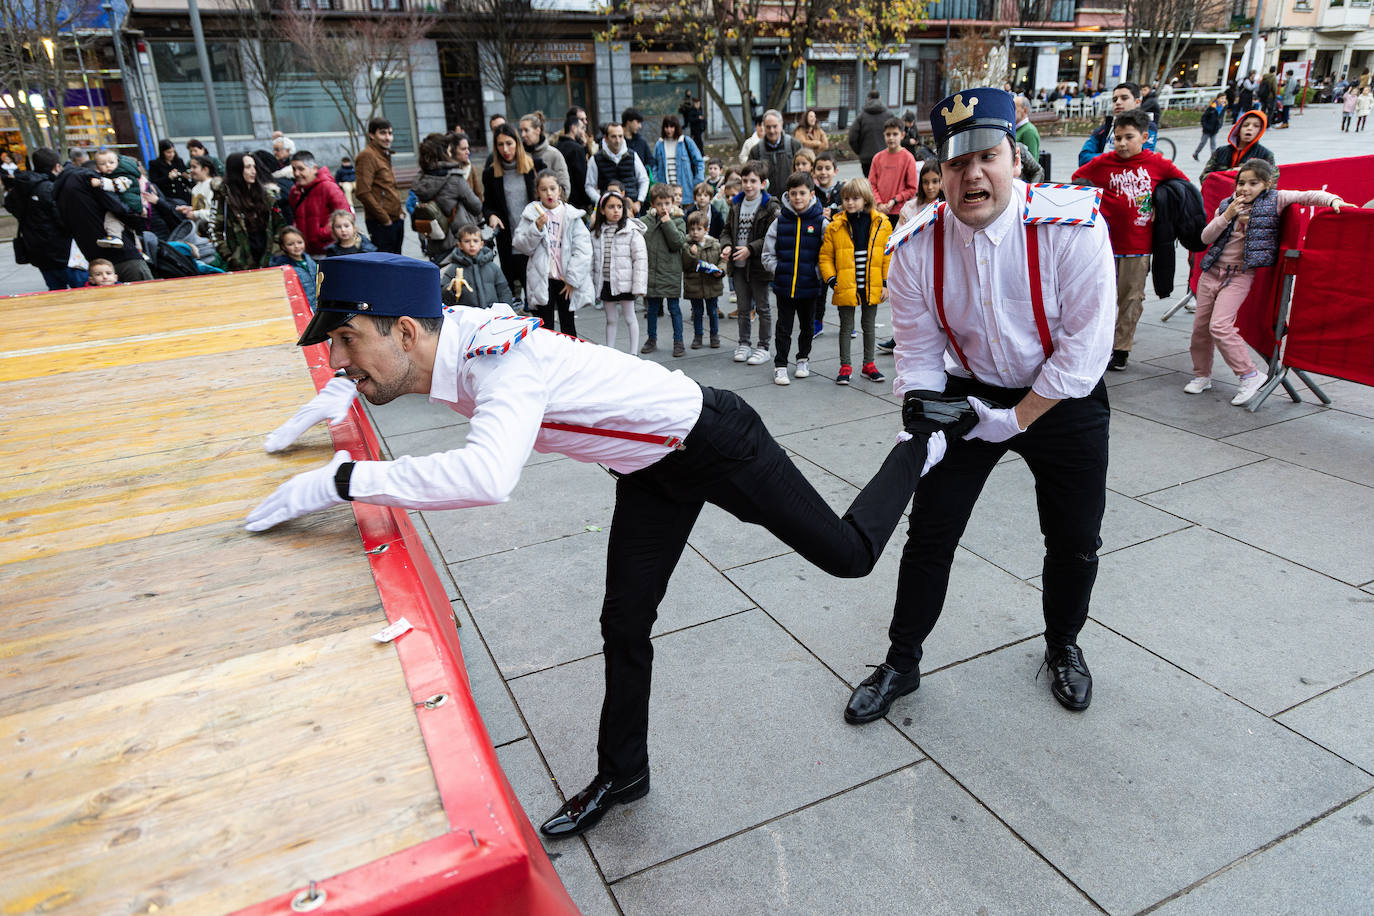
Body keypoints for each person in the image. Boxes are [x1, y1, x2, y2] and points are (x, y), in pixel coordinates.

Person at [244, 252, 957, 838]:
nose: (339, 357)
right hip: (650, 470)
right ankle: (625, 772)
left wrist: (345, 479)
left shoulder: (500, 364)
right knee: (624, 622)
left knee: (847, 556)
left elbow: (488, 475)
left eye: (347, 341)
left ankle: (919, 444)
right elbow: (413, 337)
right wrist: (342, 389)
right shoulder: (442, 333)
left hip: (716, 439)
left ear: (404, 331)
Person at [844, 87, 1115, 727]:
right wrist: (920, 412)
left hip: (1060, 399)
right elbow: (915, 351)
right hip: (969, 394)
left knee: (1075, 538)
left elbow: (1084, 351)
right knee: (929, 534)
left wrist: (1017, 419)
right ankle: (901, 661)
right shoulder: (913, 247)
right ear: (940, 172)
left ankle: (1062, 644)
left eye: (987, 157)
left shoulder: (1072, 226)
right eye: (958, 164)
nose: (973, 176)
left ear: (1015, 160)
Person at [1185, 160, 1345, 406]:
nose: (1244, 189)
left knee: (1220, 326)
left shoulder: (1275, 199)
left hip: (1239, 275)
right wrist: (1227, 216)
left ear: (1267, 184)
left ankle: (1249, 375)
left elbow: (1308, 195)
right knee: (1200, 330)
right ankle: (1202, 375)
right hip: (1211, 272)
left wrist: (1334, 200)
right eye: (1241, 183)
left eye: (1253, 183)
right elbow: (1206, 237)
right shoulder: (1227, 204)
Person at [1072, 108, 1189, 372]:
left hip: (1138, 246)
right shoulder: (1104, 163)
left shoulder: (1157, 163)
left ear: (1145, 136)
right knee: (1098, 298)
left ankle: (1121, 348)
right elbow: (1078, 180)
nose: (1122, 143)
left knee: (1131, 299)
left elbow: (1182, 186)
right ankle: (1095, 345)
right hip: (1104, 245)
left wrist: (1163, 204)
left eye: (1129, 137)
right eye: (1118, 138)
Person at [820, 176, 891, 386]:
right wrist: (832, 280)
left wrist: (885, 283)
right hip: (845, 284)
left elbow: (888, 255)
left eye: (855, 198)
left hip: (871, 283)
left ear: (866, 199)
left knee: (869, 326)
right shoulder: (835, 226)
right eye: (847, 198)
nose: (850, 202)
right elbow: (825, 256)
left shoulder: (881, 224)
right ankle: (845, 365)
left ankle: (869, 365)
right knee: (846, 326)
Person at [761, 171, 826, 385]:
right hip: (784, 286)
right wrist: (778, 270)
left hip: (810, 286)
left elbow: (827, 254)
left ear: (811, 194)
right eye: (793, 193)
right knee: (784, 327)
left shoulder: (820, 223)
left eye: (802, 193)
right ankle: (780, 365)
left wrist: (817, 273)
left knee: (807, 326)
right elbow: (767, 253)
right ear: (787, 195)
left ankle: (803, 359)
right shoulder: (780, 222)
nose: (797, 198)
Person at [513, 169, 593, 336]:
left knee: (568, 325)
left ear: (560, 190)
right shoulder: (531, 213)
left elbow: (583, 250)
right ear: (537, 192)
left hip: (565, 278)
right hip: (542, 277)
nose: (549, 193)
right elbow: (521, 245)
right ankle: (546, 360)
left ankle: (570, 358)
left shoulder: (571, 215)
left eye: (552, 188)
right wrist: (536, 228)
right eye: (543, 189)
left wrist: (572, 279)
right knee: (545, 326)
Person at [54, 152, 152, 282]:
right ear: (97, 170)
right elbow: (119, 208)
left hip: (95, 260)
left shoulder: (60, 190)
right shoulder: (90, 180)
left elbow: (62, 224)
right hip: (123, 255)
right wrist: (137, 216)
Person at [723, 161, 779, 366]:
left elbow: (772, 236)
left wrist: (750, 249)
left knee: (763, 307)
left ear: (763, 183)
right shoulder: (736, 204)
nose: (748, 185)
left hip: (758, 266)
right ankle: (744, 343)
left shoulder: (770, 206)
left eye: (753, 181)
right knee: (743, 307)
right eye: (744, 180)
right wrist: (727, 245)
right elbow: (727, 230)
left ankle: (763, 347)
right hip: (738, 266)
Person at [482, 122, 546, 301]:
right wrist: (491, 216)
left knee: (537, 292)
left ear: (517, 143)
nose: (505, 149)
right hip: (508, 239)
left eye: (509, 143)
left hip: (534, 237)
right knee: (512, 292)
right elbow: (487, 205)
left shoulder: (535, 166)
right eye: (500, 144)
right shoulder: (491, 173)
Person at [5, 147, 84, 290]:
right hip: (63, 251)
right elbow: (62, 219)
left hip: (37, 250)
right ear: (56, 166)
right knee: (81, 290)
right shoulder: (49, 188)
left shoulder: (20, 187)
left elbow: (10, 205)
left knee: (55, 292)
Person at [412, 133, 483, 263]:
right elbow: (476, 206)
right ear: (444, 152)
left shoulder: (422, 178)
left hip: (434, 241)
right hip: (456, 242)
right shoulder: (454, 178)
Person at [215, 151, 289, 271]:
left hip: (268, 259)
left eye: (254, 166)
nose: (253, 171)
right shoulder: (224, 197)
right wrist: (230, 257)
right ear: (237, 170)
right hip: (241, 263)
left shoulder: (267, 196)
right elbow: (215, 230)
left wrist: (276, 251)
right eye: (248, 167)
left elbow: (280, 225)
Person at [639, 183, 687, 356]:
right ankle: (651, 338)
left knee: (674, 309)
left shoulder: (678, 220)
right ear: (653, 204)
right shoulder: (646, 222)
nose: (663, 207)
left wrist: (667, 223)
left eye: (667, 203)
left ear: (672, 203)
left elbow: (678, 243)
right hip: (652, 273)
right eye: (659, 204)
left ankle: (678, 341)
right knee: (652, 309)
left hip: (670, 273)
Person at [354, 117, 404, 254]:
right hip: (381, 223)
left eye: (390, 133)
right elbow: (363, 192)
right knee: (386, 267)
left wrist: (400, 213)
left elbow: (388, 187)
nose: (388, 137)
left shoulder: (383, 154)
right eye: (383, 133)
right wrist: (384, 219)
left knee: (397, 263)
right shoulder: (367, 156)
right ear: (372, 135)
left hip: (395, 219)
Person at [1076, 82, 1158, 166]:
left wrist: (1103, 159)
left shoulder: (1148, 127)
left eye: (1124, 98)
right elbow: (1083, 158)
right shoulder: (1105, 128)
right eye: (1114, 100)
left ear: (1137, 102)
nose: (1118, 102)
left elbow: (1141, 160)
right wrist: (1116, 157)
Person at [288, 151, 352, 257]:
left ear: (314, 168)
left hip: (329, 251)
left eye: (301, 169)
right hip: (305, 253)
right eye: (294, 169)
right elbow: (295, 217)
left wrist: (319, 234)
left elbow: (347, 217)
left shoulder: (329, 187)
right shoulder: (294, 191)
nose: (296, 173)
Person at [440, 224, 513, 309]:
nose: (471, 244)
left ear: (481, 244)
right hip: (467, 317)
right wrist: (452, 288)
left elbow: (504, 291)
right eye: (467, 241)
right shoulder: (453, 269)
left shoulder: (493, 268)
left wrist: (506, 312)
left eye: (475, 241)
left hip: (492, 314)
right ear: (459, 245)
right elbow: (442, 295)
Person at [681, 208, 725, 349]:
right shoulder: (686, 245)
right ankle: (698, 337)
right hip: (695, 286)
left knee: (713, 312)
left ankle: (714, 336)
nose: (695, 232)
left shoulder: (715, 244)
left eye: (699, 229)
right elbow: (685, 265)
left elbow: (722, 260)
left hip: (712, 284)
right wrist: (691, 255)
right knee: (697, 313)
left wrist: (721, 270)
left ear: (706, 229)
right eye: (692, 229)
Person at [585, 121, 650, 216]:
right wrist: (601, 201)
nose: (618, 140)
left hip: (631, 208)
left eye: (620, 136)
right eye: (613, 136)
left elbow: (644, 180)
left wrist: (639, 202)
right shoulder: (595, 159)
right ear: (606, 138)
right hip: (608, 211)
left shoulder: (633, 155)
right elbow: (589, 186)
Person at [90, 148, 146, 249]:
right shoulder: (119, 172)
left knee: (111, 218)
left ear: (118, 161)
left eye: (111, 162)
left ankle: (114, 236)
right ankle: (139, 249)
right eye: (103, 164)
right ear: (97, 167)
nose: (108, 165)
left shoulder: (122, 174)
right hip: (130, 205)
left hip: (128, 203)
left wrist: (100, 183)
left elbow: (120, 185)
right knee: (130, 228)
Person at [869, 118, 921, 224]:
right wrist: (879, 203)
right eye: (888, 134)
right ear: (884, 135)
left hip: (900, 212)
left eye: (895, 134)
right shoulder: (877, 158)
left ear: (902, 135)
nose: (891, 138)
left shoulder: (908, 158)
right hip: (878, 211)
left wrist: (895, 200)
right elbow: (871, 184)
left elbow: (912, 188)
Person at [1200, 110, 1276, 182]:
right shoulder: (1220, 151)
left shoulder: (1265, 155)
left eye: (1256, 126)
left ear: (1260, 131)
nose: (1249, 128)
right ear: (1238, 129)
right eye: (1245, 125)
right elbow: (1204, 178)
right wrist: (1229, 173)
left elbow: (1271, 183)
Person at [652, 113, 705, 202]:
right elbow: (655, 166)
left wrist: (697, 182)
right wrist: (657, 182)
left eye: (672, 127)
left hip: (686, 191)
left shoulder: (686, 142)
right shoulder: (659, 145)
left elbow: (699, 162)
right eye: (666, 127)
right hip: (666, 191)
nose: (669, 130)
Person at [748, 109, 802, 196]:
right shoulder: (756, 150)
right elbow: (749, 177)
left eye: (775, 126)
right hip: (765, 201)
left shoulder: (794, 145)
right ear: (764, 127)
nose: (772, 131)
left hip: (792, 199)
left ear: (781, 124)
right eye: (768, 127)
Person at [519, 112, 570, 201]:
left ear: (537, 130)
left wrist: (553, 208)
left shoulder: (554, 154)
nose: (523, 135)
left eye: (526, 130)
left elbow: (564, 188)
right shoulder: (520, 155)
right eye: (521, 131)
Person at [270, 225, 319, 307]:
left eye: (299, 242)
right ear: (283, 247)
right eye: (290, 244)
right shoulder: (283, 268)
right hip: (299, 307)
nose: (296, 246)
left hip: (317, 306)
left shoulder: (311, 261)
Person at [554, 111, 593, 210]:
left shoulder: (556, 147)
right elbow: (582, 178)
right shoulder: (576, 149)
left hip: (561, 199)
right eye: (581, 128)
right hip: (577, 203)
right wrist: (588, 201)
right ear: (573, 128)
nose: (583, 132)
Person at [848, 89, 893, 175]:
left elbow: (852, 137)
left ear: (868, 99)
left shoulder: (861, 116)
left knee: (869, 185)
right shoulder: (889, 115)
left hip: (866, 158)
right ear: (880, 98)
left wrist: (860, 151)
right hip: (885, 155)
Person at [621, 109, 655, 183]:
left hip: (639, 182)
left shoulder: (641, 141)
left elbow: (650, 161)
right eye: (638, 122)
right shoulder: (617, 141)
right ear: (628, 121)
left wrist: (644, 170)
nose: (640, 126)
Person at [1195, 94, 1225, 160]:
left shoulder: (1223, 107)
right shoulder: (1212, 107)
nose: (1223, 100)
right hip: (1207, 128)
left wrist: (1219, 125)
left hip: (1215, 128)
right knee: (1203, 142)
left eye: (1224, 99)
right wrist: (1205, 126)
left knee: (1213, 144)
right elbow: (1204, 117)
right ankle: (1196, 153)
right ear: (1217, 99)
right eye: (1221, 98)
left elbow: (1221, 118)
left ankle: (1213, 157)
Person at [1014, 96, 1040, 163]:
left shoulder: (1029, 131)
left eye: (1014, 108)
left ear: (1025, 110)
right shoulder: (1016, 128)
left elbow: (1032, 162)